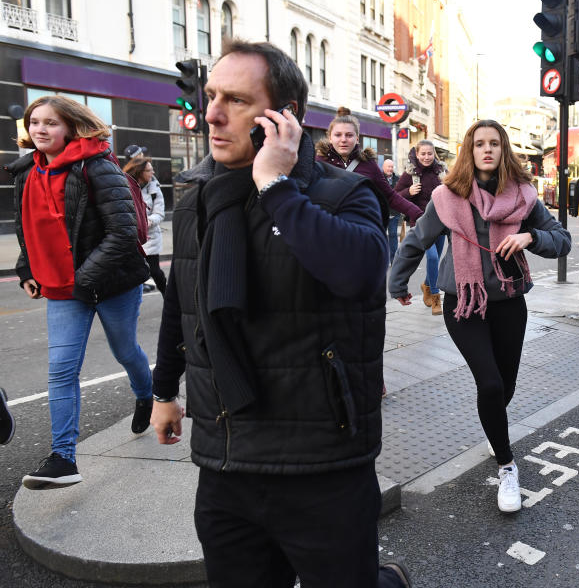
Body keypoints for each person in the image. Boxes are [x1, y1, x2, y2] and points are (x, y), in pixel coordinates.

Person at [148, 40, 411, 588]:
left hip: (321, 463)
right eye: (212, 95)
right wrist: (163, 392)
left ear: (281, 118)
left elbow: (361, 275)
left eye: (236, 101)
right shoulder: (199, 195)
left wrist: (276, 186)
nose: (212, 113)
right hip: (225, 461)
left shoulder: (346, 195)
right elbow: (184, 298)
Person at [389, 119, 571, 514]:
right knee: (489, 384)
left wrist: (531, 236)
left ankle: (495, 430)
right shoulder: (447, 197)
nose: (487, 150)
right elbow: (417, 239)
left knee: (505, 384)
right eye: (478, 144)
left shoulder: (524, 197)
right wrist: (397, 282)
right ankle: (507, 466)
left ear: (504, 150)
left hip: (508, 302)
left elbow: (562, 241)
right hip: (463, 303)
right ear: (469, 152)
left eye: (494, 144)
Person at [5, 95, 153, 490]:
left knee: (125, 351)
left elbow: (123, 233)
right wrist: (26, 269)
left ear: (70, 126)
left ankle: (146, 395)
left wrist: (85, 278)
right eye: (34, 122)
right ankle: (63, 458)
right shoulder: (26, 172)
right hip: (61, 288)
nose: (39, 129)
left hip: (111, 283)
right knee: (61, 370)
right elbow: (27, 227)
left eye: (50, 123)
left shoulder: (98, 166)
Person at [316, 107, 422, 226]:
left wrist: (419, 215)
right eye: (338, 135)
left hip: (360, 232)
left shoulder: (368, 164)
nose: (343, 140)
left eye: (349, 135)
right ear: (330, 137)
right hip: (326, 231)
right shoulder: (318, 162)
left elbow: (390, 196)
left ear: (357, 138)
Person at [396, 140, 447, 315]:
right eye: (423, 154)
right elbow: (395, 197)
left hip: (441, 223)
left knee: (437, 258)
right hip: (420, 222)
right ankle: (435, 297)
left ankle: (426, 284)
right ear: (417, 155)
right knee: (432, 257)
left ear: (434, 154)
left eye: (429, 153)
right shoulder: (410, 174)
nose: (426, 157)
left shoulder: (441, 172)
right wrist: (408, 192)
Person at [123, 145, 166, 294]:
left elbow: (160, 213)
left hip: (150, 237)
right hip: (131, 237)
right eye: (149, 170)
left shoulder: (154, 188)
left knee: (155, 271)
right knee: (133, 273)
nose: (153, 172)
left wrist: (148, 222)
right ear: (140, 172)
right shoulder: (125, 185)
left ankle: (168, 296)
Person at [381, 158, 402, 264]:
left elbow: (401, 195)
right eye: (388, 167)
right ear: (383, 167)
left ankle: (393, 259)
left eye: (391, 167)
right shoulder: (378, 178)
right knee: (381, 236)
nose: (390, 169)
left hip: (394, 213)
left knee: (393, 235)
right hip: (381, 213)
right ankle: (382, 258)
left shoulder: (398, 179)